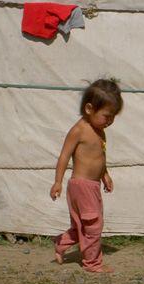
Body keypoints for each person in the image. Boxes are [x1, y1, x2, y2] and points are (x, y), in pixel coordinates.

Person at [51, 78, 123, 273]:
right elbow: (64, 156)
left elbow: (100, 156)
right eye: (107, 116)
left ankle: (61, 243)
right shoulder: (79, 130)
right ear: (90, 108)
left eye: (113, 117)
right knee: (93, 225)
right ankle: (92, 263)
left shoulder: (100, 131)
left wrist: (104, 174)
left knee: (82, 225)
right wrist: (57, 182)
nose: (110, 121)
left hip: (91, 185)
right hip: (81, 186)